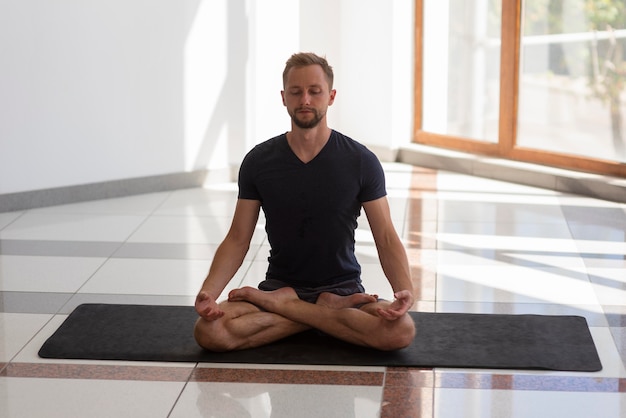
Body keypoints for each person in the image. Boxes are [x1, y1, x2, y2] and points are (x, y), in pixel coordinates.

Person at [194, 52, 415, 352]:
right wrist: (209, 292)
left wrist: (405, 291)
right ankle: (326, 313)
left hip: (343, 289)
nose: (305, 100)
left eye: (315, 91)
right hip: (280, 288)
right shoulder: (259, 161)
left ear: (331, 96)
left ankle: (298, 310)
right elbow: (237, 239)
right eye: (296, 92)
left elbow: (386, 237)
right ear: (284, 98)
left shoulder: (361, 161)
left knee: (401, 331)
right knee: (209, 333)